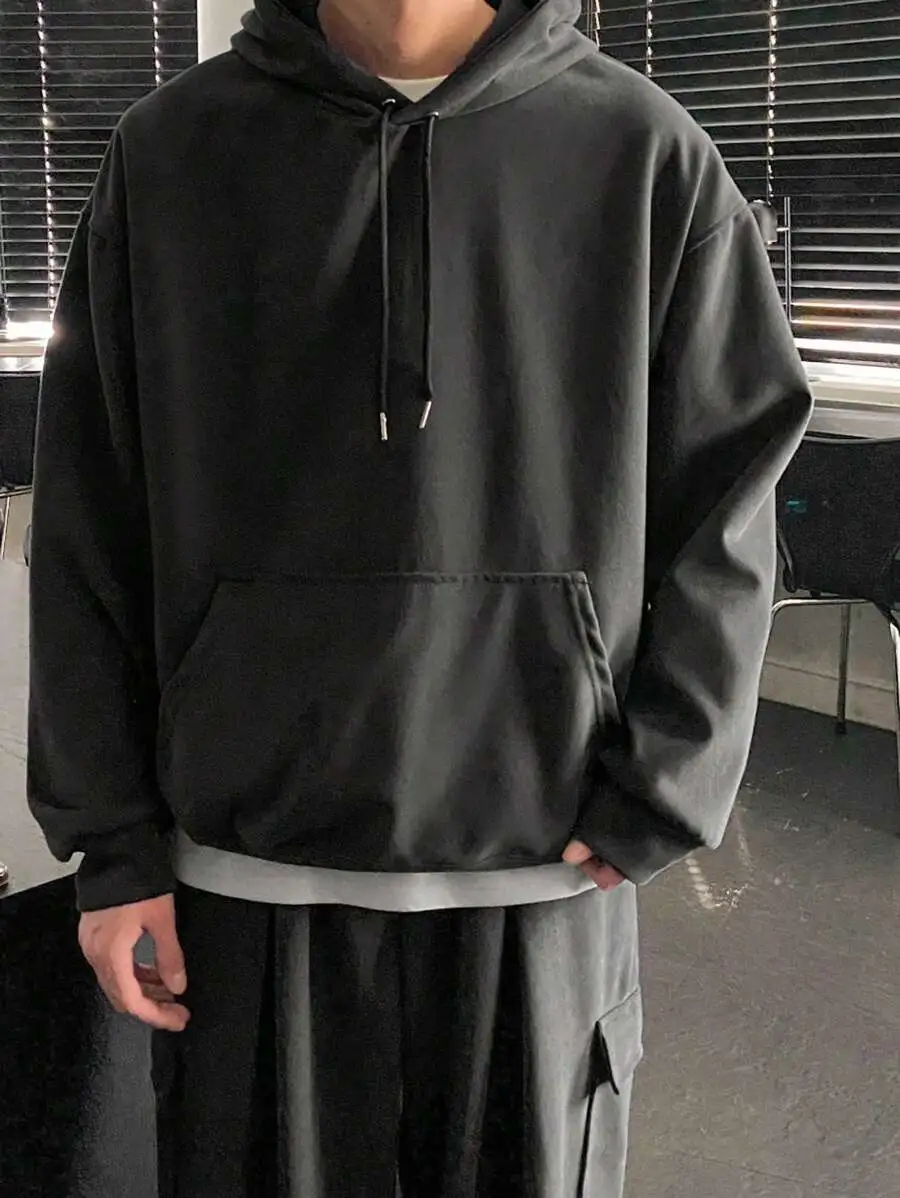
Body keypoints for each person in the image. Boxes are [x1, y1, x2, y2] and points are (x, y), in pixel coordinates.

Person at [27, 1, 812, 1194]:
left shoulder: (646, 152)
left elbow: (730, 499)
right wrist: (113, 843)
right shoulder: (169, 155)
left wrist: (668, 780)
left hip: (543, 870)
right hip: (245, 877)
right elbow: (92, 514)